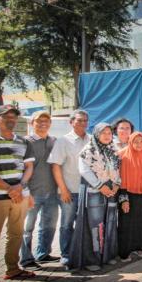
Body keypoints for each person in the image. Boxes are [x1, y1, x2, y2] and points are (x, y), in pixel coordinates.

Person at [0, 104, 35, 282]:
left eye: (13, 117)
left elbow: (28, 167)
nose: (11, 120)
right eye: (6, 117)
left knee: (16, 235)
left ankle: (12, 269)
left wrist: (21, 187)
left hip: (20, 196)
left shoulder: (23, 142)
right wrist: (11, 189)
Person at [69, 123, 120, 271]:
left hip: (111, 192)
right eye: (103, 132)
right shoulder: (88, 150)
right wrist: (100, 186)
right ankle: (93, 259)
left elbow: (117, 169)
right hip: (94, 192)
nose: (106, 135)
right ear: (96, 134)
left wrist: (117, 183)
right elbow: (84, 171)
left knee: (110, 222)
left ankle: (108, 255)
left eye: (109, 133)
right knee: (95, 225)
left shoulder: (112, 150)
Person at [47, 109, 90, 267]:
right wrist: (63, 190)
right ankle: (66, 254)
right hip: (69, 192)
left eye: (85, 120)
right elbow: (56, 166)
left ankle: (82, 253)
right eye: (79, 120)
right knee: (66, 224)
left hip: (88, 192)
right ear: (71, 122)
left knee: (85, 224)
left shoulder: (91, 140)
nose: (83, 123)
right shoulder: (63, 141)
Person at [20, 111, 60, 272]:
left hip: (51, 192)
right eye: (39, 121)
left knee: (48, 225)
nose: (43, 123)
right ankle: (26, 258)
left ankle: (43, 253)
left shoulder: (54, 141)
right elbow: (21, 169)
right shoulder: (25, 142)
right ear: (32, 123)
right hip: (31, 193)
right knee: (27, 227)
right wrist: (24, 191)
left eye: (46, 121)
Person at [117, 132, 142, 262]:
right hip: (128, 195)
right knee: (127, 225)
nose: (139, 144)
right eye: (136, 141)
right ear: (130, 142)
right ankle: (125, 251)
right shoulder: (123, 156)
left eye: (141, 141)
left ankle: (141, 247)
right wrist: (123, 200)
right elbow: (120, 180)